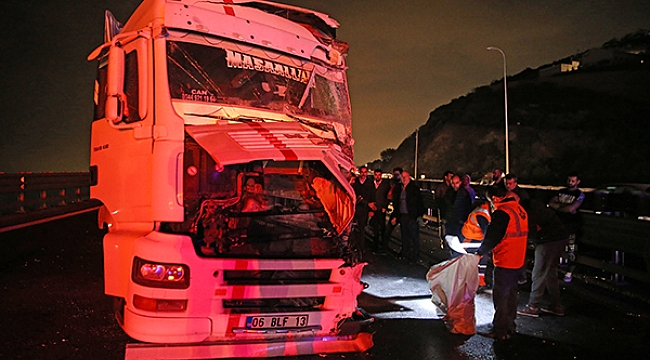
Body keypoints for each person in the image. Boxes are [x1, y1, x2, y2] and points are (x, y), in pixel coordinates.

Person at [477, 186, 529, 340]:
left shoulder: (502, 212)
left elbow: (493, 237)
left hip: (505, 259)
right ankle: (510, 325)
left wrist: (480, 253)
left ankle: (500, 330)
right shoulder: (520, 210)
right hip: (518, 259)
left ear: (494, 198)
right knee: (512, 295)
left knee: (501, 296)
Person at [517, 199, 569, 317]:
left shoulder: (529, 213)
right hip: (558, 239)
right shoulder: (536, 207)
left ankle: (533, 306)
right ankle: (556, 306)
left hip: (548, 241)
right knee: (550, 273)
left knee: (539, 273)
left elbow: (531, 231)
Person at [549, 173, 584, 282]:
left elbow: (572, 207)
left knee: (571, 249)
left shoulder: (580, 194)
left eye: (573, 181)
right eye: (569, 180)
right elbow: (551, 203)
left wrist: (559, 207)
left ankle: (569, 272)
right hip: (558, 224)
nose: (570, 183)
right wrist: (564, 207)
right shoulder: (561, 191)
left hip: (572, 226)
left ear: (578, 182)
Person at [391, 170, 425, 263]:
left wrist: (418, 215)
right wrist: (396, 216)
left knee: (414, 237)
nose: (404, 179)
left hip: (411, 216)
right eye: (402, 177)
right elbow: (397, 203)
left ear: (409, 177)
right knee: (404, 236)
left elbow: (419, 203)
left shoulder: (414, 188)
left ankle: (415, 256)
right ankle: (405, 254)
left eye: (405, 177)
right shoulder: (399, 188)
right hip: (403, 215)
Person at [442, 175, 473, 257]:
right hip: (450, 220)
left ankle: (456, 258)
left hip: (459, 222)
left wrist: (463, 220)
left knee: (459, 242)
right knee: (450, 240)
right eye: (453, 183)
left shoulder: (464, 193)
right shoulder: (449, 192)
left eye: (457, 183)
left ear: (460, 182)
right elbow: (445, 205)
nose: (455, 185)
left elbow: (468, 207)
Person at [351, 166, 377, 256]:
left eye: (365, 172)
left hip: (365, 209)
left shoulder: (370, 183)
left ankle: (361, 247)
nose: (363, 174)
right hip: (355, 208)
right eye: (362, 172)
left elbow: (373, 196)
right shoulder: (355, 182)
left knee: (362, 228)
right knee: (353, 228)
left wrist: (371, 209)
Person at [371, 169, 391, 252]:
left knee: (382, 228)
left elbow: (388, 196)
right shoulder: (371, 184)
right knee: (375, 228)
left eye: (379, 175)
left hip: (381, 209)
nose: (377, 176)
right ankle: (375, 246)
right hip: (374, 208)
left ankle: (383, 246)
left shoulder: (386, 185)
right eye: (376, 175)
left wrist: (385, 206)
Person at [383, 167, 403, 251]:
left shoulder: (400, 187)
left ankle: (384, 247)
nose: (395, 176)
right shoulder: (395, 185)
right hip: (397, 210)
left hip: (400, 211)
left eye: (397, 175)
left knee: (389, 230)